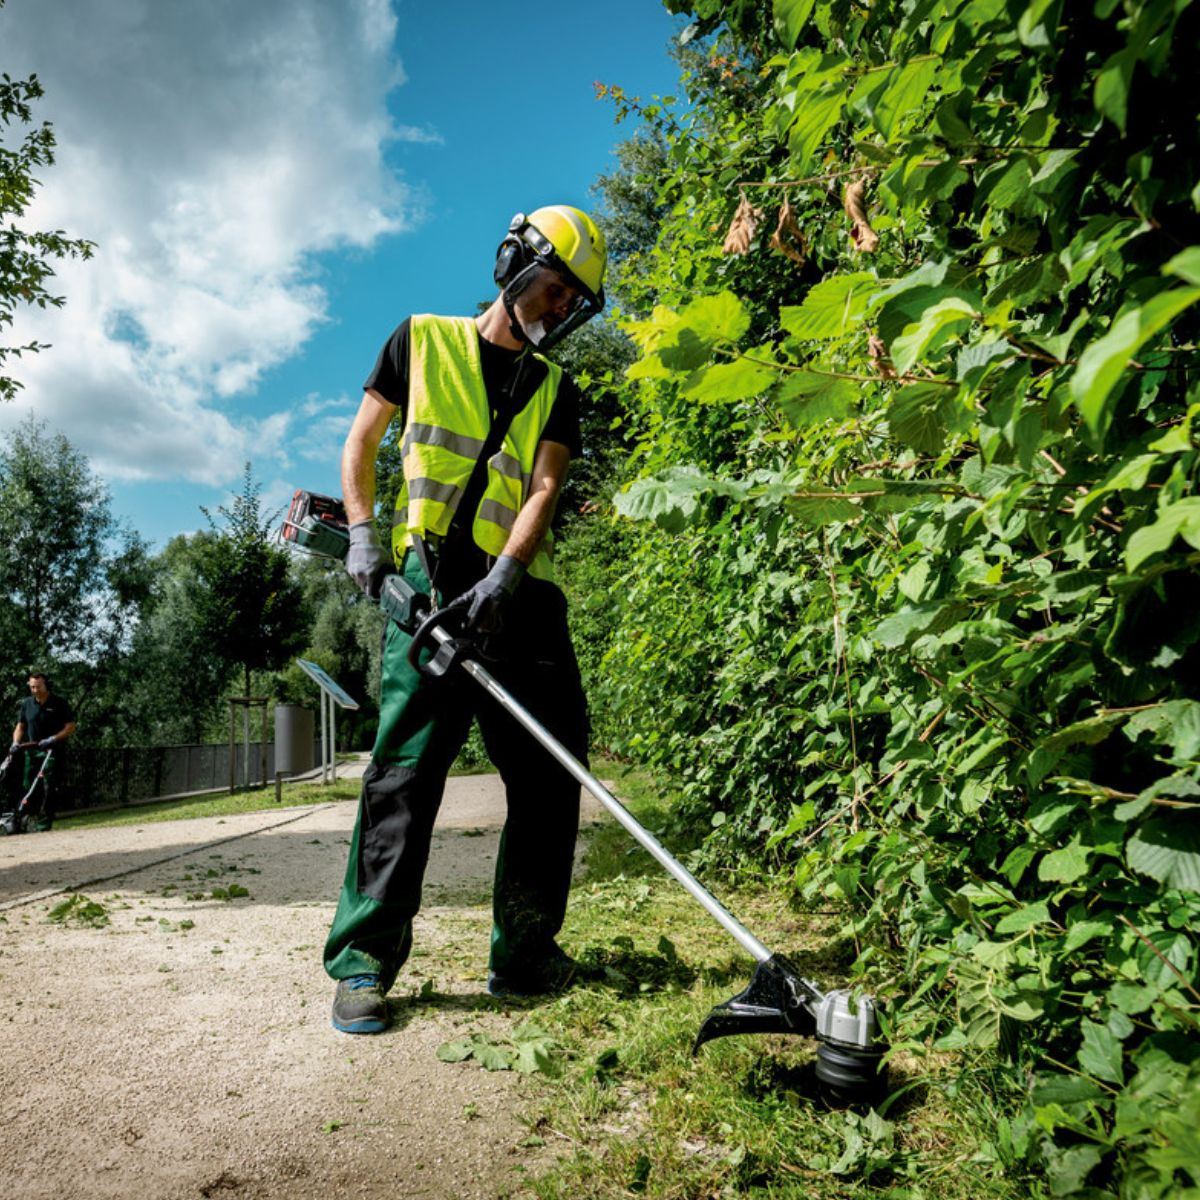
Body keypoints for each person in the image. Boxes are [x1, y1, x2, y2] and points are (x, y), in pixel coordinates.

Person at [323, 205, 607, 1034]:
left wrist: (509, 576)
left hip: (520, 599)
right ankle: (366, 961)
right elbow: (363, 440)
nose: (557, 310)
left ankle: (523, 955)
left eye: (570, 303)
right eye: (553, 288)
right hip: (428, 582)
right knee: (405, 773)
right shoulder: (420, 340)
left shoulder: (557, 387)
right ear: (511, 263)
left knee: (551, 776)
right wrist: (365, 536)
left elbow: (546, 487)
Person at [10, 671, 76, 831]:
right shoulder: (27, 704)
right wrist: (15, 742)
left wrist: (53, 738)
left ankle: (44, 822)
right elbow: (21, 726)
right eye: (32, 687)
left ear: (46, 685)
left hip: (52, 750)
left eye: (38, 687)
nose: (35, 690)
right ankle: (26, 819)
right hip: (32, 750)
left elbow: (70, 727)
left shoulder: (59, 703)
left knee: (49, 786)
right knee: (28, 785)